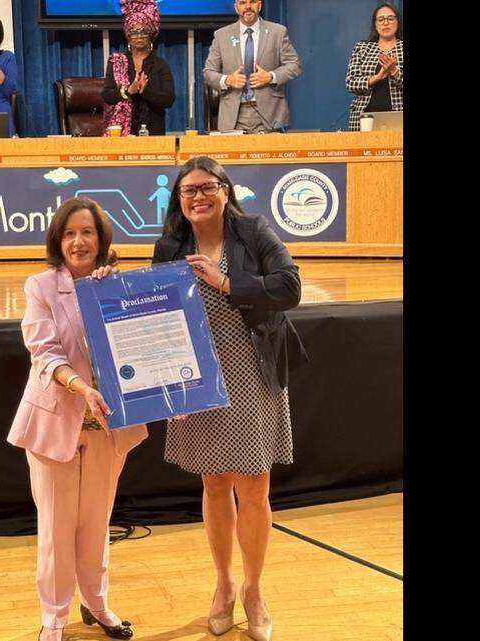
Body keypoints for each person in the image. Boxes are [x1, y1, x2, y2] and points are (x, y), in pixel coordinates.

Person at [151, 156, 308, 641]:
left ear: (225, 190)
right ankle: (222, 585)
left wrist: (225, 282)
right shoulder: (171, 245)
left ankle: (255, 589)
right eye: (187, 191)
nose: (197, 197)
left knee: (255, 488)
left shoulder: (254, 231)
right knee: (215, 485)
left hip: (250, 371)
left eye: (206, 188)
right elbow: (152, 306)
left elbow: (290, 287)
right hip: (196, 375)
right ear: (179, 200)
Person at [7, 197, 149, 641]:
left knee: (96, 523)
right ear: (57, 240)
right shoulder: (40, 286)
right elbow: (44, 352)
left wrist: (107, 298)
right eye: (69, 233)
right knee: (55, 528)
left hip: (108, 428)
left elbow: (141, 351)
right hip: (55, 423)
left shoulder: (118, 286)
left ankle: (97, 604)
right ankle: (53, 618)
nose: (78, 241)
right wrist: (81, 387)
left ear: (101, 239)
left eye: (87, 232)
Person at [204, 0, 301, 133]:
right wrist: (228, 80)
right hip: (233, 117)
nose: (248, 6)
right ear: (236, 7)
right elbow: (208, 72)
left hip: (270, 115)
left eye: (253, 2)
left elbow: (294, 65)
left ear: (260, 5)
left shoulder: (277, 32)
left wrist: (270, 77)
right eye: (243, 2)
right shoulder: (221, 35)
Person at [102, 0, 176, 136]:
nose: (139, 36)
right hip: (121, 132)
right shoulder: (117, 62)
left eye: (143, 32)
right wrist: (129, 91)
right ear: (128, 36)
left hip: (153, 131)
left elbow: (169, 99)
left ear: (151, 35)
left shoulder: (160, 64)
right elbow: (107, 95)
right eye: (134, 32)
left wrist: (144, 92)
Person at [345, 3, 404, 131]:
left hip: (399, 117)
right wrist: (376, 78)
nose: (385, 23)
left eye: (390, 18)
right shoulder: (362, 48)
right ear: (375, 24)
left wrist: (395, 72)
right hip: (364, 118)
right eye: (381, 19)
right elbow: (350, 83)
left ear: (397, 22)